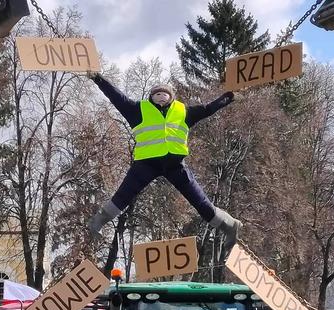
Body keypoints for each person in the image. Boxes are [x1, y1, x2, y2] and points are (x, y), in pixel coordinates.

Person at [86, 73, 241, 260]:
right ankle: (97, 222)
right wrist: (97, 78)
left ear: (172, 96)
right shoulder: (137, 109)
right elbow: (116, 96)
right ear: (150, 97)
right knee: (123, 195)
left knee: (200, 202)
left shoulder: (183, 111)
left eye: (164, 93)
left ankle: (229, 225)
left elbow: (209, 109)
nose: (160, 96)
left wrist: (230, 96)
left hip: (175, 165)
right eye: (156, 94)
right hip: (146, 163)